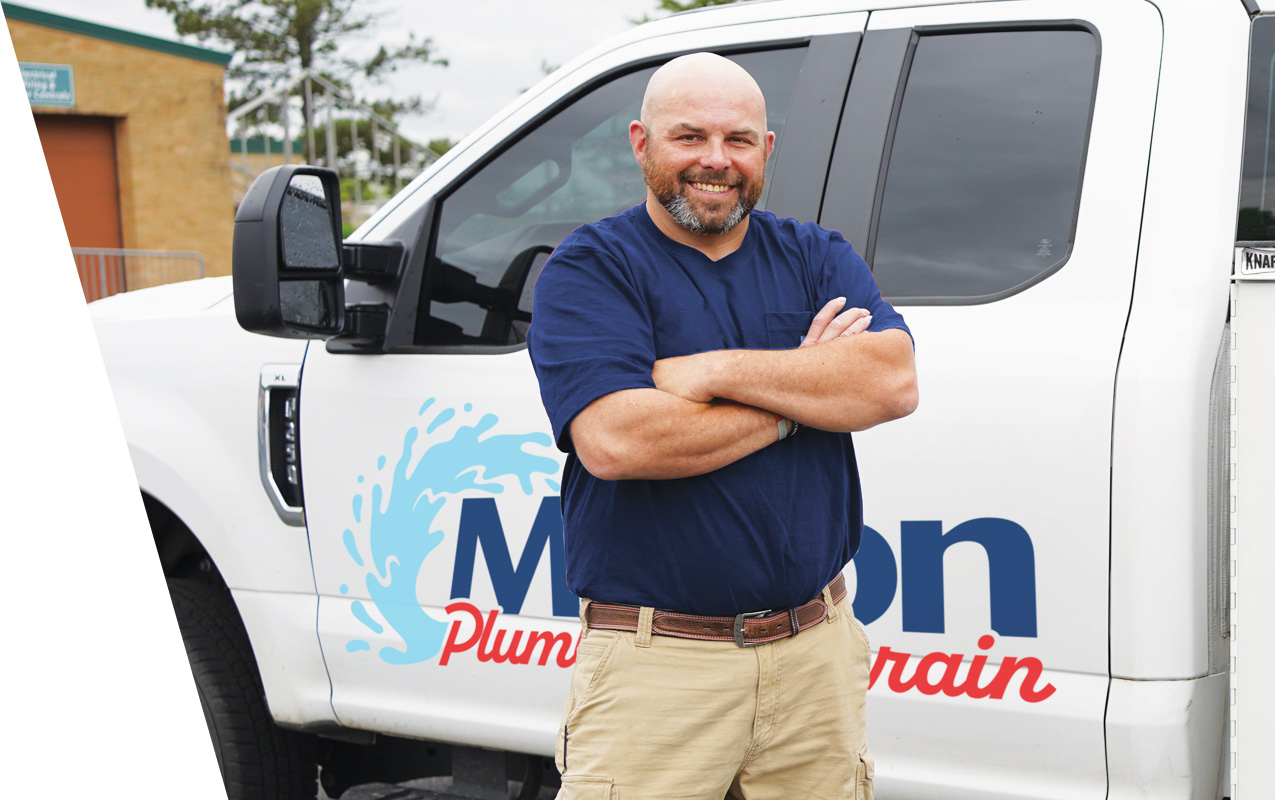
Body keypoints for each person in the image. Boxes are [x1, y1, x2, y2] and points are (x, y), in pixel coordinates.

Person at [526, 51, 918, 799]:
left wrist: (707, 373)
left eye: (738, 140)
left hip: (815, 656)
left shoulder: (813, 254)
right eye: (689, 137)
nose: (716, 161)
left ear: (764, 151)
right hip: (658, 667)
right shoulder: (592, 268)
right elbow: (617, 439)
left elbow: (890, 381)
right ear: (641, 144)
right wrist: (798, 394)